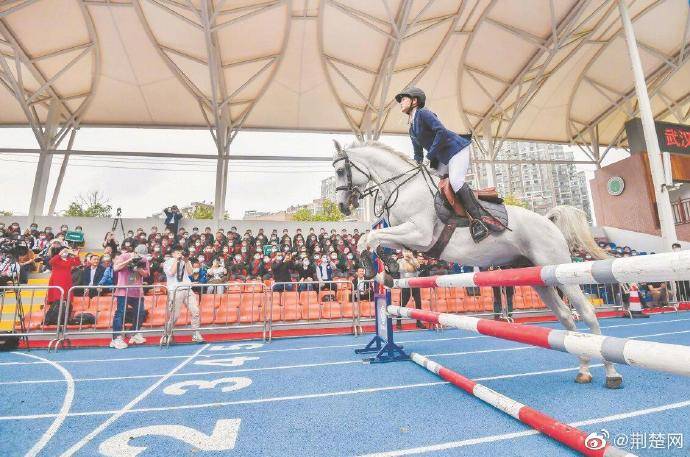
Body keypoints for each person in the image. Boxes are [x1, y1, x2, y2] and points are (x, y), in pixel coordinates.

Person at [395, 87, 497, 232]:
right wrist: (413, 169)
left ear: (415, 101)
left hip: (456, 149)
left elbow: (441, 131)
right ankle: (452, 216)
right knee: (434, 184)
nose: (401, 102)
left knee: (456, 181)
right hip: (442, 157)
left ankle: (479, 220)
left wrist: (429, 156)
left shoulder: (423, 113)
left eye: (404, 99)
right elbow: (418, 154)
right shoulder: (411, 128)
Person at [111, 244, 149, 349]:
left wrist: (138, 269)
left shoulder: (144, 259)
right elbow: (115, 268)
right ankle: (116, 338)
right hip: (123, 290)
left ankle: (134, 333)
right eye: (138, 255)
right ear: (134, 252)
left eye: (142, 256)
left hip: (137, 291)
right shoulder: (124, 256)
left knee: (140, 313)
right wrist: (130, 261)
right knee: (120, 313)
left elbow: (146, 274)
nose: (140, 257)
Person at [163, 246, 204, 343]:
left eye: (181, 252)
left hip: (188, 289)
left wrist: (186, 261)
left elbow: (190, 273)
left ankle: (196, 333)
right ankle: (167, 334)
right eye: (178, 253)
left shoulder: (186, 261)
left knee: (196, 311)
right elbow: (171, 273)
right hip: (176, 290)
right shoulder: (167, 262)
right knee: (175, 316)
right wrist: (177, 261)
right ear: (173, 254)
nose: (180, 254)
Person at [45, 246, 81, 325]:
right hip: (57, 281)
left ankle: (64, 319)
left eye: (66, 251)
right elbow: (51, 262)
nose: (65, 252)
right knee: (58, 299)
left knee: (67, 299)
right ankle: (55, 319)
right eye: (63, 251)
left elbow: (77, 263)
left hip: (67, 281)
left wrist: (76, 255)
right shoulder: (56, 259)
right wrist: (59, 254)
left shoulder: (69, 260)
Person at [396, 249, 424, 329]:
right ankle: (398, 322)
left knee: (418, 303)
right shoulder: (400, 261)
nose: (408, 253)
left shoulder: (414, 259)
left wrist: (411, 259)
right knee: (403, 303)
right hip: (405, 284)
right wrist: (407, 261)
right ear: (403, 253)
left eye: (409, 252)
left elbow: (418, 266)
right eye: (406, 252)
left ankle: (419, 322)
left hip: (415, 283)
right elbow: (400, 269)